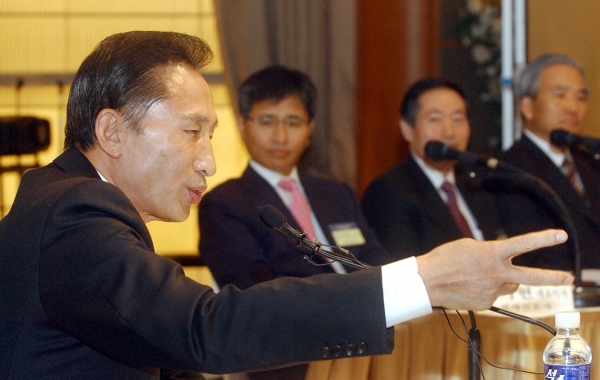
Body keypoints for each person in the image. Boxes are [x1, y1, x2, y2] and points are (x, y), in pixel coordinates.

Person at [0, 31, 574, 380]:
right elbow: (207, 329)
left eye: (211, 134)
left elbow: (164, 354)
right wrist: (420, 280)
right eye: (192, 132)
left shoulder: (71, 202)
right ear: (113, 130)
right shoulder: (75, 214)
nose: (209, 161)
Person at [198, 65, 392, 380]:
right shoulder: (225, 203)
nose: (280, 136)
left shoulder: (336, 192)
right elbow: (254, 290)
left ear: (310, 128)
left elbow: (372, 255)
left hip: (370, 337)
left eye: (293, 122)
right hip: (291, 352)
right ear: (241, 124)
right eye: (267, 121)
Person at [361, 78, 506, 260]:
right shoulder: (388, 191)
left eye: (457, 119)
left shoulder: (478, 183)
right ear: (408, 129)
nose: (449, 132)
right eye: (435, 119)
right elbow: (405, 270)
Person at [499, 54, 600, 270]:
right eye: (560, 95)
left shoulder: (590, 161)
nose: (573, 107)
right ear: (527, 106)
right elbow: (530, 253)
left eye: (580, 97)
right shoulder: (510, 169)